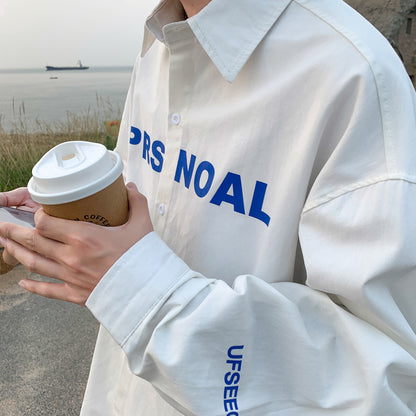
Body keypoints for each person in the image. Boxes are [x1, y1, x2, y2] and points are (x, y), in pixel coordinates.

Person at [1, 0, 416, 414]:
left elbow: (391, 387)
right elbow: (148, 188)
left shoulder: (355, 76)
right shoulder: (159, 44)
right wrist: (70, 211)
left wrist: (143, 295)